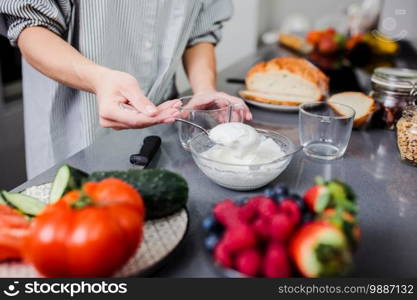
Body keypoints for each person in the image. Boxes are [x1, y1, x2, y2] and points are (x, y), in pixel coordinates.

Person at [0, 0, 251, 178]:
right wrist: (99, 79)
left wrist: (204, 89)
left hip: (161, 134)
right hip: (74, 134)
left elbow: (200, 31)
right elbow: (30, 28)